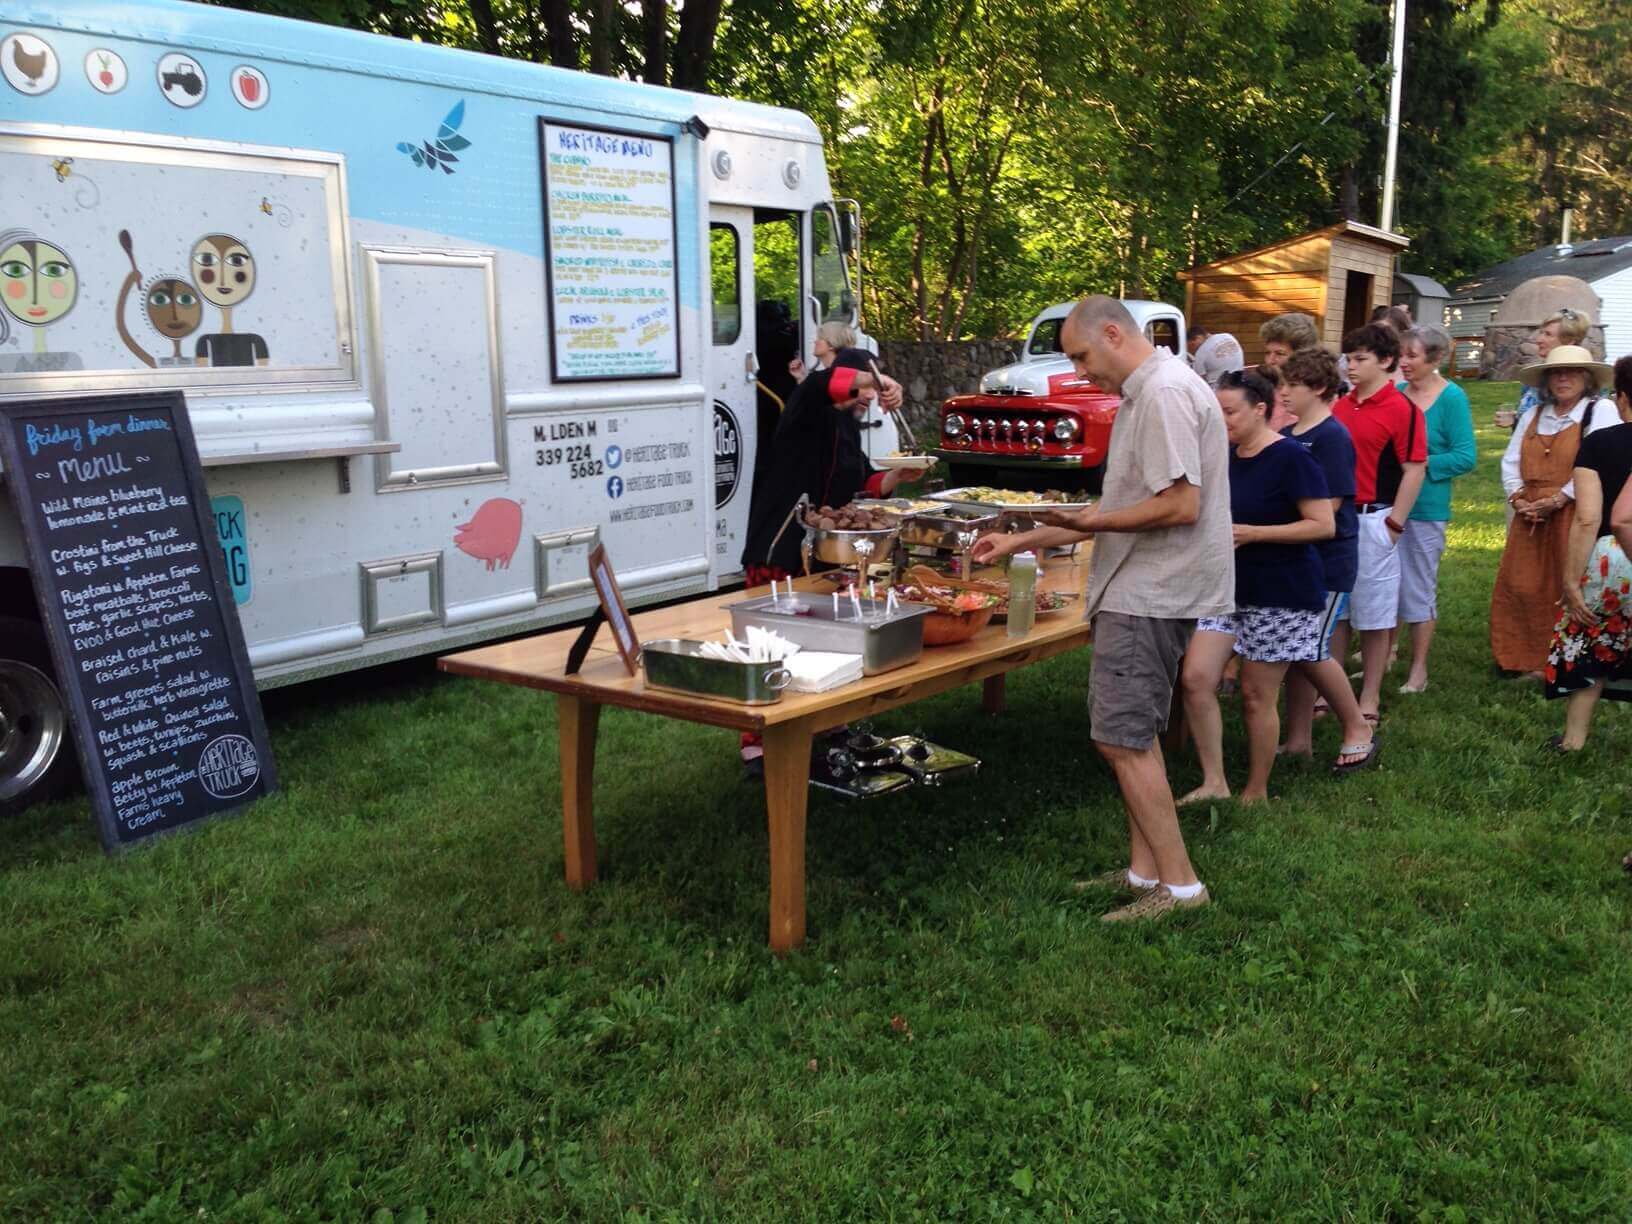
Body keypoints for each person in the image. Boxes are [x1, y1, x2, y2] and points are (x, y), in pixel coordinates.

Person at [972, 296, 1232, 922]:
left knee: (1120, 741)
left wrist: (1089, 523)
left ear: (1113, 333)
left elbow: (1180, 505)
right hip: (1144, 588)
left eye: (1082, 356)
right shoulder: (1149, 390)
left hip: (1150, 592)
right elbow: (1115, 508)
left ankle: (1182, 889)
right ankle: (1146, 873)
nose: (1079, 371)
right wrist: (1020, 539)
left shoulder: (1164, 392)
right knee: (1133, 737)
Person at [1176, 370, 1346, 805]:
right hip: (1227, 587)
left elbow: (1323, 525)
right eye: (1216, 411)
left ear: (1260, 409)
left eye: (1230, 411)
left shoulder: (1292, 458)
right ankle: (1215, 782)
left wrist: (1255, 533)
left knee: (1256, 693)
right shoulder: (1223, 456)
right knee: (1195, 677)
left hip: (1281, 591)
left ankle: (1256, 791)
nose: (1221, 420)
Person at [1272, 349, 1379, 771]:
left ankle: (1358, 727)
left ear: (1318, 387)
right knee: (1298, 653)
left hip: (1328, 563)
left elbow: (1329, 506)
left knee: (1311, 648)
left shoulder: (1332, 436)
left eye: (1291, 385)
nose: (1282, 393)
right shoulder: (1291, 434)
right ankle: (1299, 740)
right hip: (1298, 560)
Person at [1493, 344, 1617, 675]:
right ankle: (1521, 656)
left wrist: (1558, 499)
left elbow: (1601, 462)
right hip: (1530, 515)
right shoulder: (1534, 415)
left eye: (1571, 372)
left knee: (1567, 583)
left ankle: (1564, 660)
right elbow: (1510, 461)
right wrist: (1518, 499)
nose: (1563, 378)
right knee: (1522, 584)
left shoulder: (1599, 411)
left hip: (1576, 513)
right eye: (1556, 373)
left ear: (1587, 378)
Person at [1329, 323, 1427, 723]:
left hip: (1374, 519)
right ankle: (1330, 692)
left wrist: (1394, 524)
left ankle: (1369, 697)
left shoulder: (1402, 409)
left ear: (1386, 361)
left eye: (1360, 359)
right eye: (1348, 358)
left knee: (1374, 615)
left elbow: (1414, 468)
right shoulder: (1339, 406)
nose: (1350, 366)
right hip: (1336, 520)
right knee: (1336, 612)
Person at [741, 347, 905, 582]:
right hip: (780, 554)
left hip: (825, 557)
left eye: (875, 390)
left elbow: (864, 482)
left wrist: (899, 474)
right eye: (867, 387)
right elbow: (818, 383)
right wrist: (877, 379)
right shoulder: (808, 404)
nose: (871, 396)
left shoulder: (848, 425)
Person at [1546, 355, 1632, 750]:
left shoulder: (1597, 443)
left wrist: (1570, 581)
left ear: (1621, 397)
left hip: (1609, 557)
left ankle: (1573, 740)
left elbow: (1587, 518)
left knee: (1592, 643)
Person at [1393, 324, 1477, 693]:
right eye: (1402, 354)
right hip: (1389, 503)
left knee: (1418, 587)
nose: (1403, 362)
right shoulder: (1396, 393)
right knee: (1386, 585)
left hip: (1426, 508)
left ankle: (1419, 670)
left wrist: (1420, 463)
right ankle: (1386, 653)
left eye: (1411, 355)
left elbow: (1465, 456)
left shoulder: (1452, 398)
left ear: (1435, 358)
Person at [1504, 308, 1592, 429]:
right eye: (1541, 333)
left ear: (1569, 341)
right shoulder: (1535, 377)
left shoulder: (1581, 381)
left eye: (1548, 334)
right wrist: (1515, 420)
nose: (1539, 340)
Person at [1258, 312, 1321, 431]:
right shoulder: (1261, 392)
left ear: (1302, 355)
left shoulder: (1318, 399)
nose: (1270, 360)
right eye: (1267, 353)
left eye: (1279, 353)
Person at [789, 321, 855, 384]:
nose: (815, 341)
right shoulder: (850, 375)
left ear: (831, 345)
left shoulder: (820, 378)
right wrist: (801, 377)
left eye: (820, 338)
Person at [1186, 323, 1244, 387]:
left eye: (1192, 344)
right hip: (1238, 380)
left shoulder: (1200, 353)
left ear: (1198, 338)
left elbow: (1200, 381)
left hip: (1218, 387)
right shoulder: (1228, 336)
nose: (1193, 348)